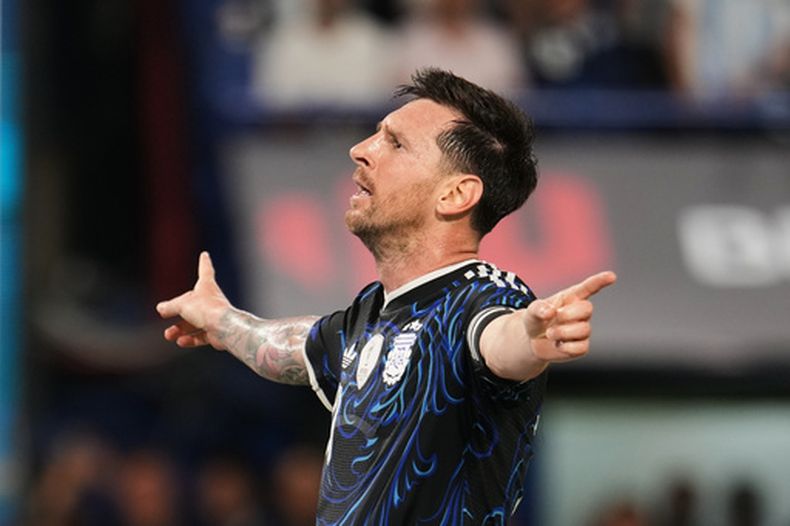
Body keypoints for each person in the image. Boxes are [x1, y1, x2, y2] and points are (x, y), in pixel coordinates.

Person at [156, 68, 616, 524]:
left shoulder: (484, 297)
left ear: (455, 194)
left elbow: (500, 341)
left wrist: (532, 337)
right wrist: (223, 321)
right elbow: (288, 345)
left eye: (394, 143)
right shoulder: (368, 318)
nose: (360, 150)